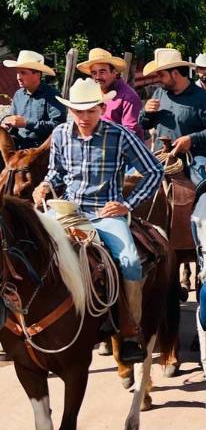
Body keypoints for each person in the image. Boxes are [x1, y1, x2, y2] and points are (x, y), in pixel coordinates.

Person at [31, 78, 163, 364]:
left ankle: (129, 332)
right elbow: (56, 173)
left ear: (102, 108)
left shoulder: (120, 135)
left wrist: (127, 204)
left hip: (105, 212)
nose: (84, 117)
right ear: (70, 111)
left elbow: (154, 171)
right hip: (67, 210)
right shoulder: (61, 133)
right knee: (33, 248)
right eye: (78, 111)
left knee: (129, 260)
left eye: (90, 110)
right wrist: (44, 185)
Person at [139, 48, 206, 184]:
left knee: (205, 185)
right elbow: (144, 124)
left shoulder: (204, 98)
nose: (158, 79)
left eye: (161, 75)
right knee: (130, 182)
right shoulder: (159, 94)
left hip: (193, 158)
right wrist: (146, 112)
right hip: (162, 156)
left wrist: (191, 139)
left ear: (175, 73)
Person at [1, 50, 66, 150]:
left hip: (42, 151)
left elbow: (58, 126)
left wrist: (26, 123)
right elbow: (12, 119)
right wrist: (7, 124)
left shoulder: (52, 95)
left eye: (23, 73)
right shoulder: (18, 95)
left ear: (37, 75)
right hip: (19, 147)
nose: (18, 77)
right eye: (17, 72)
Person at [77, 48, 144, 139]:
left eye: (102, 72)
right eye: (94, 73)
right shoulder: (92, 92)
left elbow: (130, 133)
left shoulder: (128, 97)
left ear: (114, 72)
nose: (98, 77)